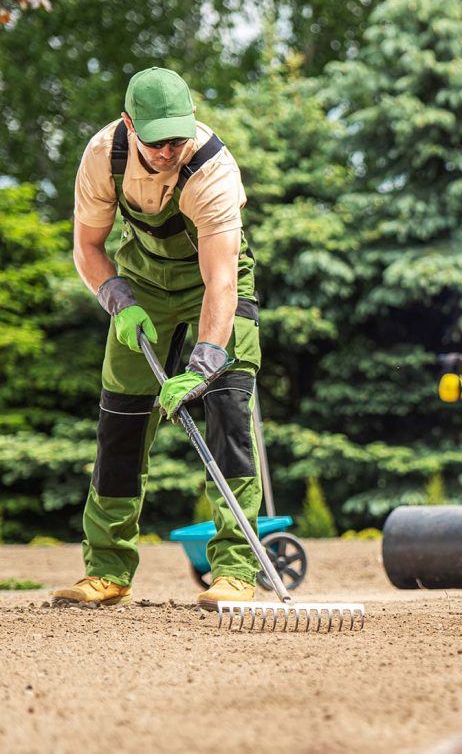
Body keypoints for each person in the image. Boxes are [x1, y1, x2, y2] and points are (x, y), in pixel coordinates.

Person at [53, 67, 262, 610]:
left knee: (228, 414)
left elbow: (220, 280)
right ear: (129, 125)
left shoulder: (211, 168)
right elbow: (88, 248)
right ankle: (108, 571)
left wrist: (205, 361)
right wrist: (118, 302)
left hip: (215, 286)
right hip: (141, 283)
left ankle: (237, 570)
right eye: (157, 140)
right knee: (120, 421)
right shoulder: (103, 157)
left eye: (178, 137)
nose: (170, 151)